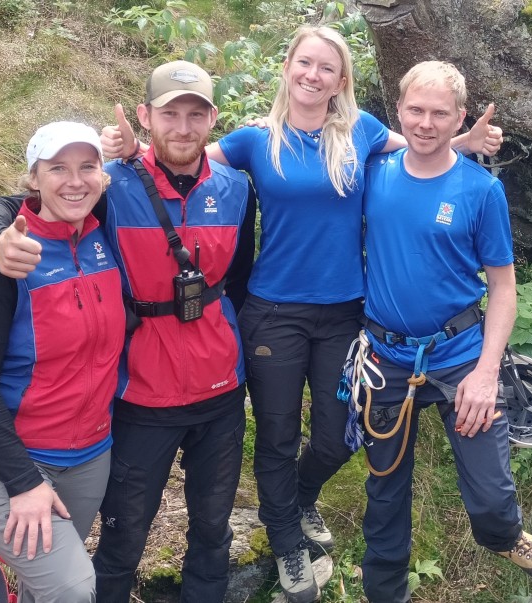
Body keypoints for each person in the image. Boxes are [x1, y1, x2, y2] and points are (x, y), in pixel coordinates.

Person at [100, 25, 503, 603]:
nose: (314, 75)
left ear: (342, 80)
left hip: (346, 313)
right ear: (287, 67)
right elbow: (176, 159)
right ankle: (285, 538)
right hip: (273, 311)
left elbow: (421, 148)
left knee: (345, 432)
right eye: (305, 63)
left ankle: (300, 494)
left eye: (327, 68)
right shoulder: (253, 141)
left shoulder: (362, 132)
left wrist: (465, 142)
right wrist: (124, 150)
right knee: (278, 434)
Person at [0, 61, 257, 603]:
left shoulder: (237, 189)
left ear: (214, 119)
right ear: (145, 116)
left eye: (196, 114)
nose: (184, 127)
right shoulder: (110, 183)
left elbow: (236, 280)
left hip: (219, 392)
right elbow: (20, 204)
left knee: (214, 532)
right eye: (170, 113)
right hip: (141, 394)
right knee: (124, 538)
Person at [353, 61, 532, 602]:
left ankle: (503, 535)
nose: (426, 123)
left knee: (492, 495)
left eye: (439, 113)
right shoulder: (373, 175)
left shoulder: (479, 190)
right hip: (386, 360)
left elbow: (504, 286)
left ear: (460, 118)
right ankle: (385, 592)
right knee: (384, 493)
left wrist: (486, 372)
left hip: (461, 355)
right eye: (416, 111)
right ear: (397, 112)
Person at [0, 121, 126, 602]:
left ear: (103, 175)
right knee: (72, 588)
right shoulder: (4, 260)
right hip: (6, 459)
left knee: (45, 587)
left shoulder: (105, 232)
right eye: (58, 169)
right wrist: (23, 482)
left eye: (87, 167)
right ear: (34, 178)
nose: (75, 181)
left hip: (90, 454)